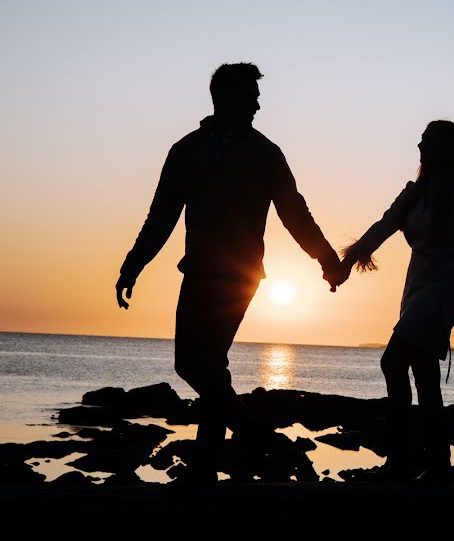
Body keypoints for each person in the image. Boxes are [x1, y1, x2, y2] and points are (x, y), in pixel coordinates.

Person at [115, 62, 347, 484]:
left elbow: (294, 212)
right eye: (249, 95)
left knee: (197, 364)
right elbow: (161, 217)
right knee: (200, 365)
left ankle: (250, 442)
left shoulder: (265, 153)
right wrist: (134, 264)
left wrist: (326, 257)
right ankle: (209, 463)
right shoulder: (186, 151)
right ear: (223, 97)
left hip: (239, 278)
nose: (258, 104)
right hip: (198, 273)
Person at [341, 120, 454, 485]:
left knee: (392, 361)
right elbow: (383, 226)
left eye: (427, 141)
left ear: (446, 149)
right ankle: (435, 465)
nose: (419, 146)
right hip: (415, 286)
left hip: (443, 288)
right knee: (425, 378)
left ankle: (400, 461)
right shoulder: (413, 193)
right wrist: (346, 262)